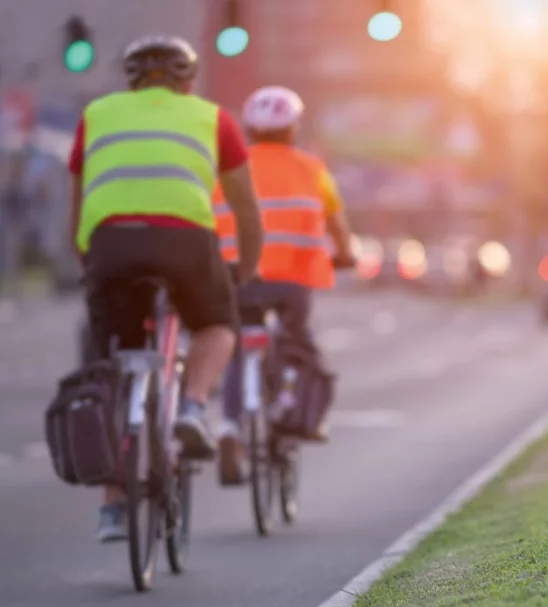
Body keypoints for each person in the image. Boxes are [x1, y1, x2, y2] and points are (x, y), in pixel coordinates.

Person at [67, 35, 265, 541]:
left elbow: (78, 202)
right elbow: (246, 211)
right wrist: (245, 271)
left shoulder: (96, 115)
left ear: (131, 80)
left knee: (113, 366)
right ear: (188, 81)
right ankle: (193, 406)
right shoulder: (214, 119)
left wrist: (89, 260)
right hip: (185, 243)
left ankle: (113, 508)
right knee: (217, 325)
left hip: (111, 245)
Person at [211, 86, 357, 486]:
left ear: (249, 129)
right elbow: (336, 221)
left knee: (238, 350)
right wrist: (345, 254)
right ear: (293, 128)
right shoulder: (312, 169)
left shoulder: (227, 170)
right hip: (292, 282)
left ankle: (229, 426)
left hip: (239, 278)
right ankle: (288, 402)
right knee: (295, 344)